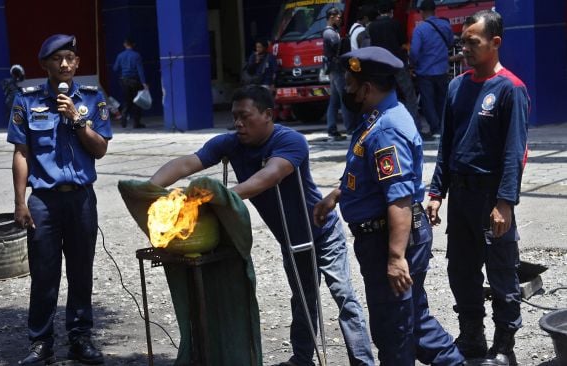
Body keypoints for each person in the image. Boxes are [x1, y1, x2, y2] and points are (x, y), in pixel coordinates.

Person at [150, 85, 374, 366]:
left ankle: (363, 362)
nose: (238, 124)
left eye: (245, 116)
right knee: (302, 300)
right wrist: (148, 187)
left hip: (322, 232)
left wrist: (219, 196)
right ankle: (302, 360)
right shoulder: (230, 143)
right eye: (235, 117)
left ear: (268, 114)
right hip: (289, 238)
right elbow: (188, 163)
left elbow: (270, 176)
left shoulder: (291, 141)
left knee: (344, 297)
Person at [313, 46, 465, 365]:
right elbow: (369, 176)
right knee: (408, 322)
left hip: (392, 238)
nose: (348, 92)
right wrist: (338, 194)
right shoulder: (375, 118)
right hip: (384, 235)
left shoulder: (386, 129)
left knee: (396, 329)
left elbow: (398, 197)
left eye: (352, 85)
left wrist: (396, 258)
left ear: (367, 88)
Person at [426, 10, 529, 366]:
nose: (465, 49)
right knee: (461, 268)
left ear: (494, 43)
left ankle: (504, 346)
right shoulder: (457, 87)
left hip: (491, 196)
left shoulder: (510, 89)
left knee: (501, 272)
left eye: (473, 42)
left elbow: (515, 152)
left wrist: (505, 203)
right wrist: (436, 192)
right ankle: (471, 336)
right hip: (462, 195)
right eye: (463, 42)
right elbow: (446, 145)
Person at [7, 34, 112, 365]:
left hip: (81, 199)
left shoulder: (92, 99)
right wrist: (20, 201)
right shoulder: (27, 101)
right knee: (44, 273)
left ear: (77, 63)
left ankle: (80, 338)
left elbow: (100, 149)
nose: (64, 64)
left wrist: (77, 120)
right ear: (45, 64)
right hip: (44, 201)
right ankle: (41, 343)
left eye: (70, 58)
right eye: (57, 58)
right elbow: (22, 153)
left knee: (81, 272)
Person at [368, 1, 422, 134]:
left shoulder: (372, 27)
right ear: (391, 11)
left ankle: (385, 127)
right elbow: (403, 43)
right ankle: (415, 127)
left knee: (385, 96)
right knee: (409, 95)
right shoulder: (395, 24)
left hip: (381, 67)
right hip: (397, 64)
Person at [409, 0, 454, 140]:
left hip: (425, 71)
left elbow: (414, 52)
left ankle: (435, 128)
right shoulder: (445, 25)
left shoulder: (420, 29)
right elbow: (451, 43)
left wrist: (413, 65)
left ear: (422, 12)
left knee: (428, 101)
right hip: (442, 69)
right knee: (443, 100)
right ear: (435, 10)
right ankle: (445, 127)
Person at [323, 6, 353, 141]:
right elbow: (338, 48)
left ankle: (332, 129)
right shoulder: (330, 33)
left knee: (334, 100)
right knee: (344, 99)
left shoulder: (332, 32)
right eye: (338, 17)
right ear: (331, 17)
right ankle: (350, 129)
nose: (340, 20)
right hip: (337, 70)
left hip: (334, 70)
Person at [113, 36, 148, 128]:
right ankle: (136, 123)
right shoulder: (136, 55)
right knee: (137, 101)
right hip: (135, 81)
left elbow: (115, 68)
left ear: (125, 44)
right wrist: (144, 83)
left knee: (127, 101)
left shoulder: (120, 55)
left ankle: (123, 121)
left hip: (124, 81)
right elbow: (140, 70)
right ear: (134, 44)